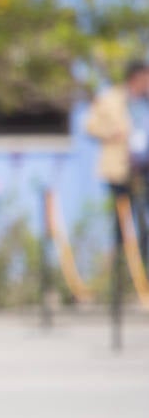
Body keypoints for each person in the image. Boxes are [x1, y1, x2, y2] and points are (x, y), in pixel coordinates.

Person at [85, 60, 149, 266]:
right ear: (135, 78)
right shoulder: (111, 98)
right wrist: (113, 133)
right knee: (122, 220)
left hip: (145, 167)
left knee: (143, 217)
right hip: (120, 168)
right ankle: (121, 272)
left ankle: (144, 263)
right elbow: (90, 126)